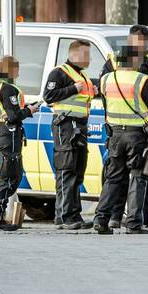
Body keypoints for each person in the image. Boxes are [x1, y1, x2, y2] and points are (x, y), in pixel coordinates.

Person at [100, 24, 148, 228]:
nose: (139, 45)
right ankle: (120, 217)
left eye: (143, 42)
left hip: (145, 126)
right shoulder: (114, 60)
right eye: (136, 41)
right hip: (131, 127)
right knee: (127, 175)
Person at [44, 39, 95, 230]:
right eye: (86, 54)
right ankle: (65, 216)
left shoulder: (82, 74)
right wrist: (73, 89)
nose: (89, 58)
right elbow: (48, 96)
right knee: (67, 171)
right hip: (65, 126)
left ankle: (72, 215)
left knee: (77, 171)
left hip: (79, 126)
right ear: (74, 54)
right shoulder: (60, 72)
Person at [0, 55, 35, 232]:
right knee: (9, 176)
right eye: (17, 68)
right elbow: (13, 116)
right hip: (8, 135)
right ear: (11, 70)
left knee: (12, 174)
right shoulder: (7, 88)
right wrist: (29, 110)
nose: (19, 72)